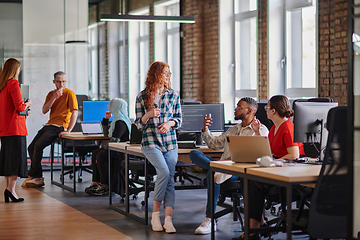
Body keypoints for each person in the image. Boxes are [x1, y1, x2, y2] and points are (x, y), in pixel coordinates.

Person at [189, 97, 269, 235]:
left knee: (212, 173)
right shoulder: (232, 130)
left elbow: (260, 156)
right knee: (194, 153)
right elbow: (213, 144)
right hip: (223, 168)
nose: (235, 109)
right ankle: (216, 166)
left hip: (238, 172)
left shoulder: (261, 130)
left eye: (239, 107)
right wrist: (205, 129)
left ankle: (209, 219)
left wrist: (230, 161)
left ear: (250, 110)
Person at [232, 95, 305, 240]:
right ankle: (261, 224)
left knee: (255, 184)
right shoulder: (274, 129)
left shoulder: (288, 128)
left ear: (273, 111)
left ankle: (252, 232)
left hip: (290, 174)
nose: (264, 110)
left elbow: (294, 154)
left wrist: (274, 161)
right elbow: (269, 152)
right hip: (278, 171)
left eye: (267, 107)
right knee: (246, 179)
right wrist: (258, 133)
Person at [135, 61, 182, 233]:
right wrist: (148, 115)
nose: (168, 76)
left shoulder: (173, 95)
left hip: (170, 143)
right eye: (165, 73)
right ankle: (155, 215)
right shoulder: (142, 96)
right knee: (164, 172)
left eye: (169, 73)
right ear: (156, 75)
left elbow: (179, 119)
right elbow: (139, 125)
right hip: (150, 142)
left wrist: (170, 123)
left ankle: (168, 219)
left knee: (169, 179)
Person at [21, 71, 78, 188]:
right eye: (58, 81)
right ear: (54, 82)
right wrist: (54, 97)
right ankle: (38, 177)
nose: (61, 84)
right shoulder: (51, 94)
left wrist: (69, 130)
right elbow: (44, 110)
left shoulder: (70, 94)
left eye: (63, 82)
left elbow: (75, 112)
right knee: (31, 147)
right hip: (49, 125)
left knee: (39, 145)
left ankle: (32, 175)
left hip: (60, 126)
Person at [0, 58, 32, 202]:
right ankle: (11, 190)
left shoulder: (2, 85)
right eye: (18, 69)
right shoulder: (13, 83)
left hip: (5, 129)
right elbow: (19, 106)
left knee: (8, 160)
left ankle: (9, 189)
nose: (19, 71)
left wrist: (23, 109)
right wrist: (27, 104)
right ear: (15, 70)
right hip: (16, 129)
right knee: (15, 160)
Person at [85, 98, 131, 196]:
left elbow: (115, 140)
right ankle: (96, 182)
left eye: (110, 104)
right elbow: (107, 135)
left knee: (101, 154)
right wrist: (106, 120)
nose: (108, 106)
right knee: (96, 152)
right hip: (116, 148)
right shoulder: (116, 120)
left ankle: (105, 185)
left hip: (121, 150)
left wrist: (106, 147)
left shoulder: (121, 122)